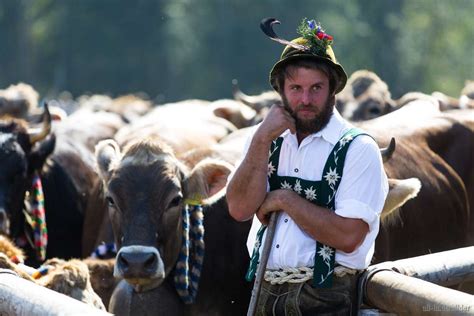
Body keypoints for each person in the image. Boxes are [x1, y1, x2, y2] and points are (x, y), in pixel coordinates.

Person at [226, 17, 388, 315]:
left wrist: (284, 200)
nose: (305, 99)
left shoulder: (357, 148)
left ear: (333, 90)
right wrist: (261, 137)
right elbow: (238, 208)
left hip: (326, 298)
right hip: (263, 290)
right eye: (295, 88)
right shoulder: (265, 140)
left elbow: (348, 237)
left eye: (316, 88)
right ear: (281, 91)